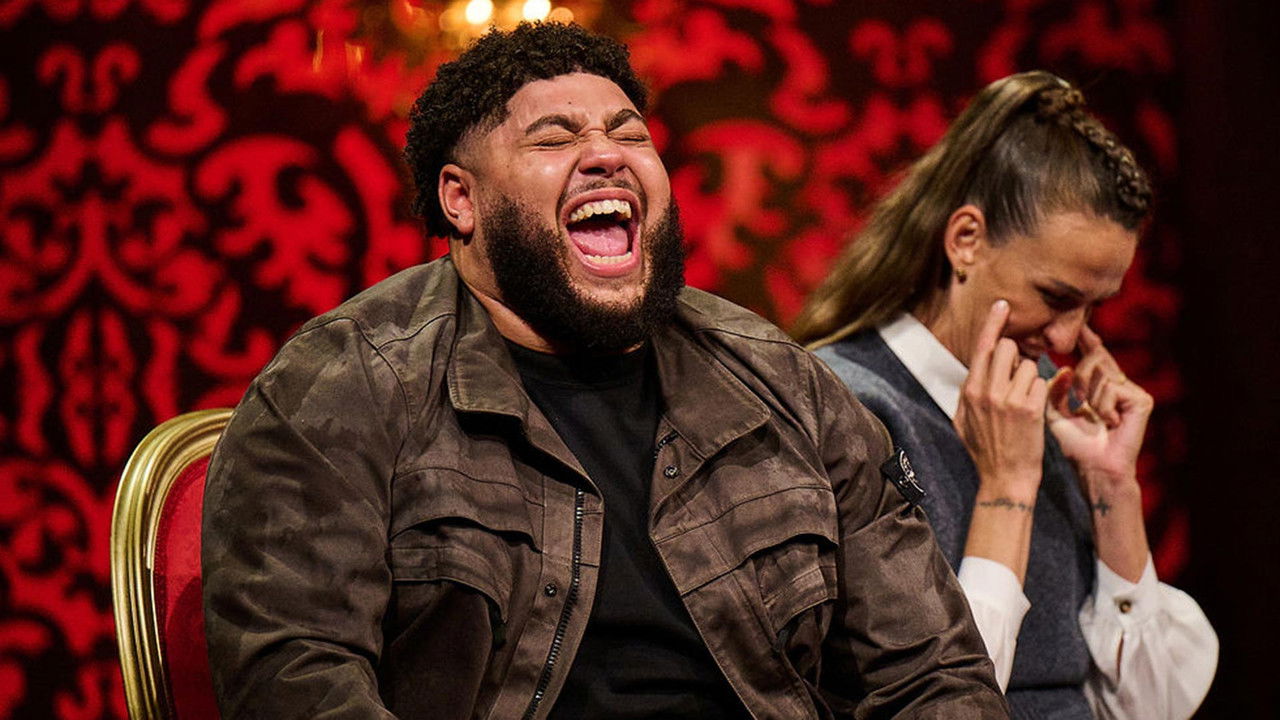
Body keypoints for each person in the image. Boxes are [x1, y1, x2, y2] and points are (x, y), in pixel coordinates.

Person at [201, 22, 1009, 720]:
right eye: (553, 139)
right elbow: (297, 683)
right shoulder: (341, 386)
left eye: (630, 134)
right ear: (460, 200)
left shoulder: (781, 382)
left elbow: (935, 671)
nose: (606, 156)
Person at [792, 71, 1217, 719]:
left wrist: (1111, 486)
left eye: (1092, 307)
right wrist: (1007, 486)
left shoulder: (1048, 402)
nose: (1068, 338)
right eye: (1055, 297)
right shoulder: (844, 405)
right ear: (966, 240)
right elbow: (939, 703)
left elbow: (1153, 706)